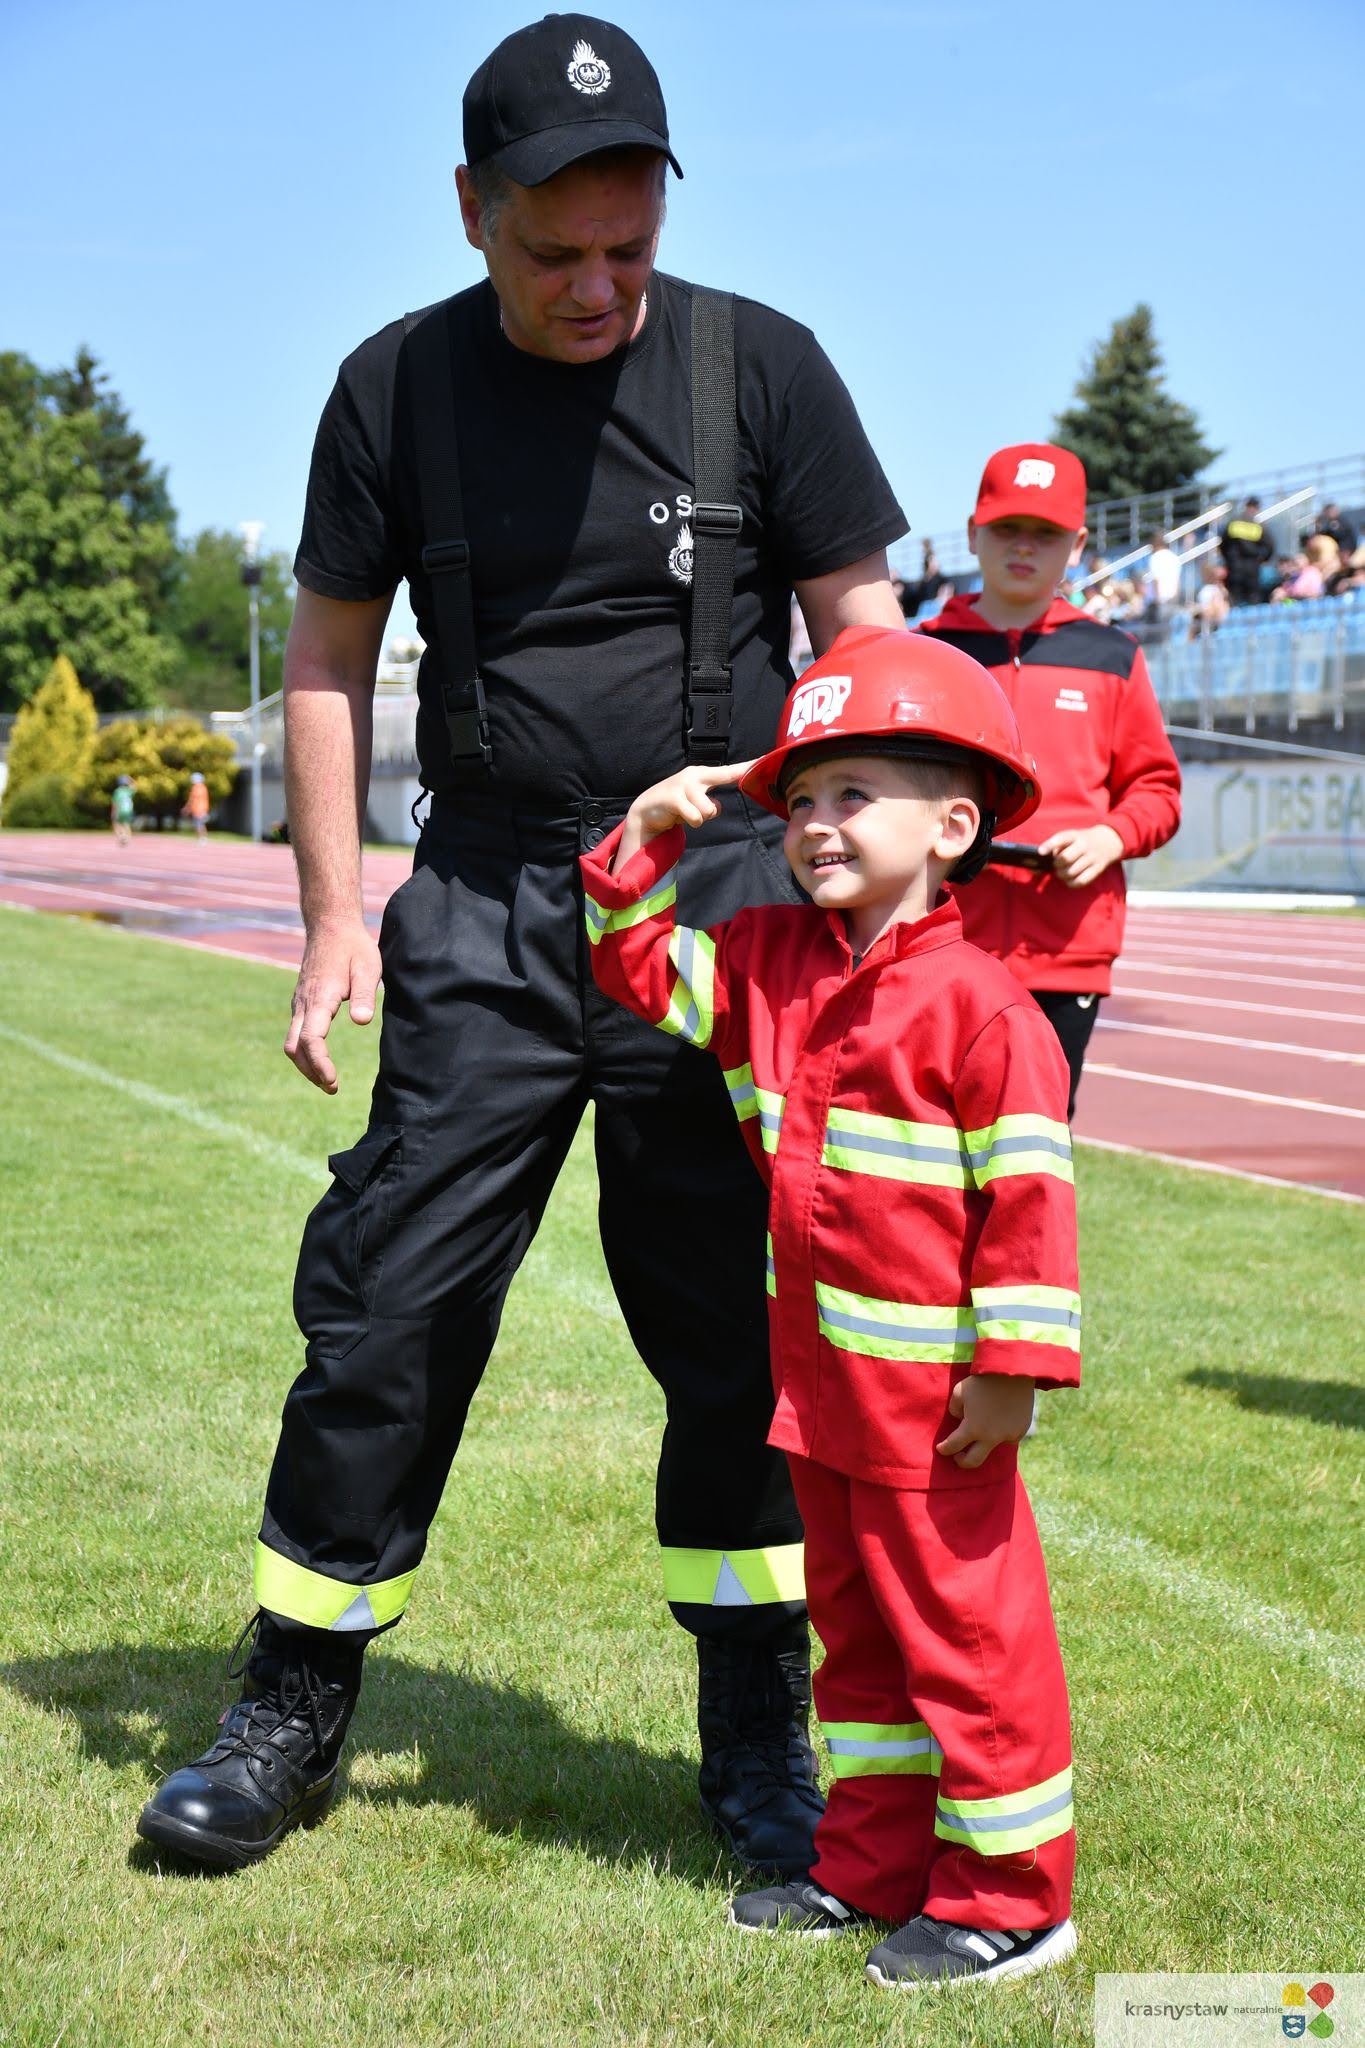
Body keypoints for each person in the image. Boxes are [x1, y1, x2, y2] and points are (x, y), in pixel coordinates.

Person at [136, 13, 907, 1875]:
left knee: (733, 1329)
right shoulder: (391, 389)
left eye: (630, 247)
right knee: (388, 1304)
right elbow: (326, 662)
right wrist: (336, 917)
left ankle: (757, 1735)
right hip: (484, 894)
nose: (598, 286)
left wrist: (877, 893)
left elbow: (869, 639)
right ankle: (292, 1703)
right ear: (470, 208)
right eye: (557, 251)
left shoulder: (762, 368)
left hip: (716, 897)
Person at [581, 627, 1080, 1990]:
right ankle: (870, 1864)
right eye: (799, 798)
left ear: (954, 826)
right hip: (821, 1398)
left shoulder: (985, 1008)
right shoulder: (762, 959)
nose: (814, 823)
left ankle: (1012, 1899)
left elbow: (1030, 1202)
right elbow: (635, 970)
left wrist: (1013, 1366)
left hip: (935, 1413)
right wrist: (643, 839)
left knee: (967, 1647)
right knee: (855, 1649)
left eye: (854, 793)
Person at [917, 444, 1181, 1117]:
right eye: (1007, 527)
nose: (1024, 546)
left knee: (1036, 1142)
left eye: (1046, 532)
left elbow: (1156, 790)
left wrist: (1110, 837)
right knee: (927, 1135)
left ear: (1078, 545)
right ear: (973, 532)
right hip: (935, 934)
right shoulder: (927, 651)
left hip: (1066, 946)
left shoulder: (1112, 655)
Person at [1220, 496, 1274, 606]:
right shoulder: (1258, 526)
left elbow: (1223, 544)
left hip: (1234, 566)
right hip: (1252, 566)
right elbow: (1270, 546)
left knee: (1234, 598)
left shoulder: (1234, 523)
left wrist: (1228, 559)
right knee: (1253, 598)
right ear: (1257, 508)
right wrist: (1263, 559)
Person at [181, 771, 210, 841]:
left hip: (198, 809)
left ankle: (202, 838)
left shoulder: (196, 788)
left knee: (198, 824)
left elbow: (192, 799)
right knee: (201, 824)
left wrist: (187, 808)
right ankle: (203, 838)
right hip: (202, 809)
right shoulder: (203, 787)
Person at [110, 774, 135, 847]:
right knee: (126, 824)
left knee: (116, 823)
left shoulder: (117, 791)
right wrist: (129, 778)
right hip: (129, 810)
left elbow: (115, 803)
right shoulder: (129, 791)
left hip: (120, 810)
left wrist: (113, 812)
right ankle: (127, 838)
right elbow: (134, 785)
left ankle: (121, 836)